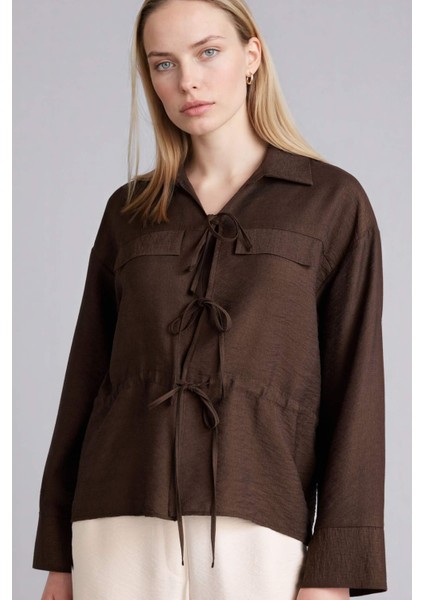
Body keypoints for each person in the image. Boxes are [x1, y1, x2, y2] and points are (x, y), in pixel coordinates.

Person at [33, 0, 388, 599]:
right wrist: (58, 558)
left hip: (258, 525)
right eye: (164, 63)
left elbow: (356, 392)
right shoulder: (129, 211)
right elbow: (86, 380)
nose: (187, 81)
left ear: (252, 56)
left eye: (208, 52)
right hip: (116, 523)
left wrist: (337, 571)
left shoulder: (332, 202)